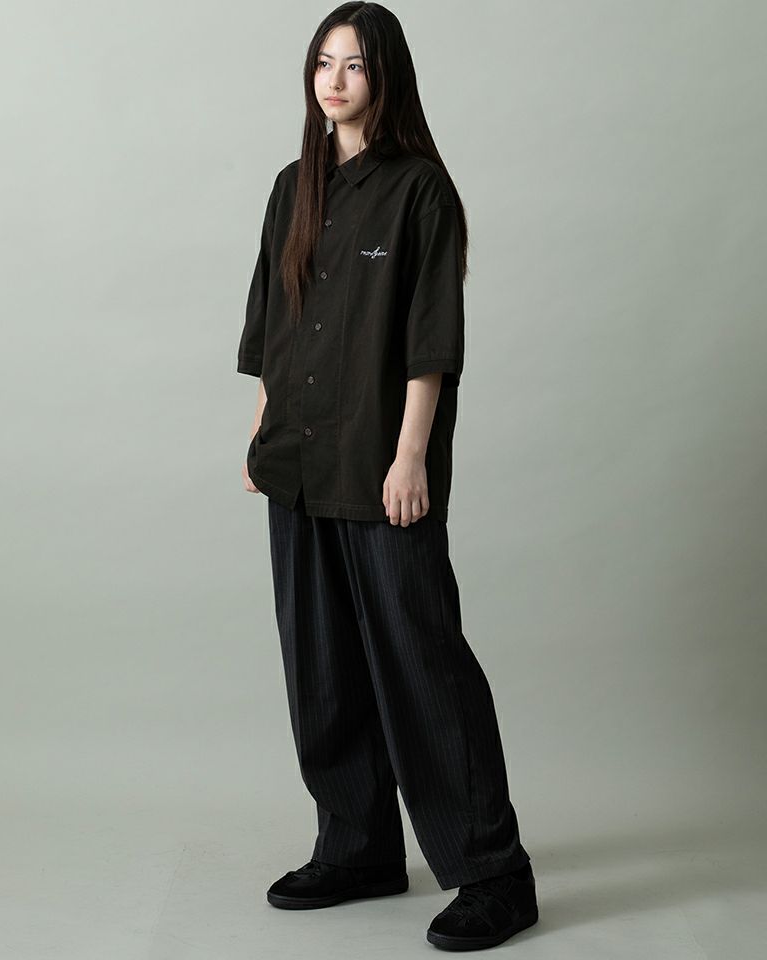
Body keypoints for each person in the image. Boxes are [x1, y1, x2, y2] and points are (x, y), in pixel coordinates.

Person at [235, 2, 539, 950]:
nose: (335, 81)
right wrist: (260, 438)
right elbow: (273, 326)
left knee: (422, 665)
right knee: (320, 664)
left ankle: (494, 872)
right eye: (323, 62)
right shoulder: (291, 188)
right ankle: (359, 846)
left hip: (380, 464)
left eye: (355, 65)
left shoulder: (421, 192)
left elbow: (429, 342)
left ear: (385, 77)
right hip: (297, 461)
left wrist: (411, 457)